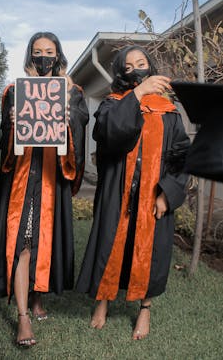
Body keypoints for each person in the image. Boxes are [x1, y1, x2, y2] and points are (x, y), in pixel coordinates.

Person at [76, 45, 190, 340]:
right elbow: (109, 134)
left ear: (151, 68)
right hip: (118, 193)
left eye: (142, 63)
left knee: (149, 255)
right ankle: (103, 301)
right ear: (122, 74)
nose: (137, 69)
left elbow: (181, 158)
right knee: (109, 248)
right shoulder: (112, 105)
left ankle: (145, 308)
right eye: (130, 66)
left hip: (153, 197)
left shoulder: (170, 113)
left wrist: (167, 194)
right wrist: (138, 95)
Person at [0, 32, 89, 347]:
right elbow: (4, 144)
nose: (43, 57)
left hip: (50, 179)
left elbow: (78, 128)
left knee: (43, 244)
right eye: (37, 51)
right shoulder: (14, 92)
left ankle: (37, 298)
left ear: (58, 57)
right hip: (21, 179)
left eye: (49, 51)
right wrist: (11, 122)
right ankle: (23, 316)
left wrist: (69, 108)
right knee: (22, 243)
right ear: (29, 56)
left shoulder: (72, 91)